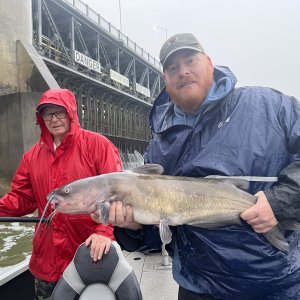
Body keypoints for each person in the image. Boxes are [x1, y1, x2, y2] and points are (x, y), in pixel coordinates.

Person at [104, 33, 300, 299]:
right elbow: (161, 234)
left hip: (273, 286)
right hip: (197, 287)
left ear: (209, 63)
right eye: (172, 67)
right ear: (165, 79)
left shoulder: (269, 105)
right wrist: (132, 227)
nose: (183, 71)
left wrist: (280, 203)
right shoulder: (159, 146)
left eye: (190, 60)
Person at [0, 89, 122, 300]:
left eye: (60, 112)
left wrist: (104, 232)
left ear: (71, 113)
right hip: (46, 260)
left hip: (88, 254)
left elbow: (118, 192)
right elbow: (22, 199)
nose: (54, 119)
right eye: (48, 114)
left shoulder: (98, 146)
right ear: (41, 118)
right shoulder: (31, 157)